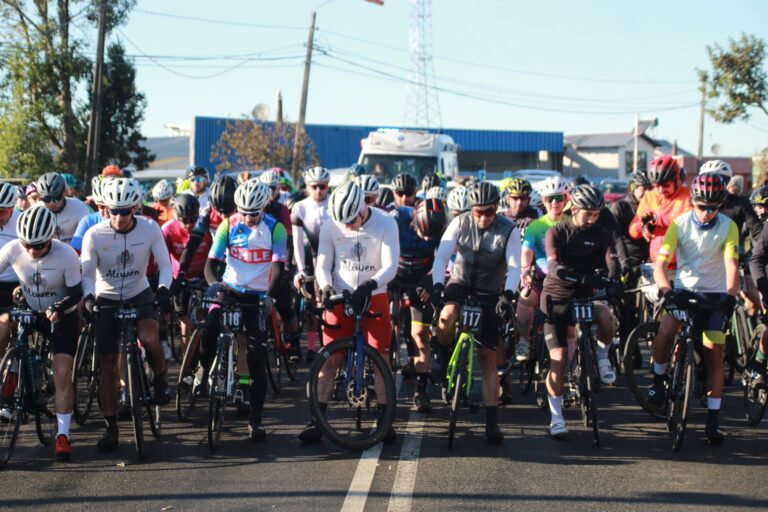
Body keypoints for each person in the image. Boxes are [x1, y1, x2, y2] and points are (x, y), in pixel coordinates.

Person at [298, 181, 399, 444]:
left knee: (381, 361)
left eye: (352, 220)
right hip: (341, 295)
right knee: (329, 361)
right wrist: (326, 287)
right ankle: (317, 420)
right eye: (343, 222)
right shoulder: (331, 225)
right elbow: (322, 263)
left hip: (374, 294)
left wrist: (370, 284)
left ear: (364, 207)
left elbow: (390, 266)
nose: (348, 226)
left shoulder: (386, 223)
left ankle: (383, 419)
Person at [80, 177, 173, 452]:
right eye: (113, 211)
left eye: (125, 211)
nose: (119, 217)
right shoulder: (94, 234)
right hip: (106, 296)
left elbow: (166, 266)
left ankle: (159, 378)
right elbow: (86, 275)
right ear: (105, 209)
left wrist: (165, 290)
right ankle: (110, 427)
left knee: (150, 336)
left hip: (139, 291)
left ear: (135, 208)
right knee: (108, 364)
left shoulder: (149, 228)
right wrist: (88, 298)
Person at [431, 181, 521, 444]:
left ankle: (491, 424)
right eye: (478, 211)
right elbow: (441, 257)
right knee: (446, 316)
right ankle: (441, 350)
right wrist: (438, 285)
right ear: (471, 209)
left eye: (490, 211)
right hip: (461, 283)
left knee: (487, 358)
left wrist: (509, 294)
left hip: (490, 292)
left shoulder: (509, 230)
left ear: (497, 208)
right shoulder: (459, 223)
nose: (483, 217)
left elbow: (514, 267)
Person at [651, 173, 738, 444]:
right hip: (684, 290)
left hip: (714, 294)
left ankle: (713, 421)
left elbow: (732, 265)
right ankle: (657, 381)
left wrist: (731, 296)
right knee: (666, 329)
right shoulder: (679, 224)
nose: (707, 213)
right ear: (693, 202)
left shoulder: (729, 226)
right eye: (702, 207)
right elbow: (660, 266)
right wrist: (667, 293)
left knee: (715, 354)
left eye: (714, 208)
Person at [205, 180, 288, 441]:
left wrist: (269, 298)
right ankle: (203, 374)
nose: (249, 218)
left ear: (263, 206)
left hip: (258, 294)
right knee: (209, 329)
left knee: (256, 357)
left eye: (253, 213)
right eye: (243, 212)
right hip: (230, 287)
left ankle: (256, 419)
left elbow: (279, 268)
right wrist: (213, 285)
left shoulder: (276, 228)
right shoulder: (228, 224)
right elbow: (211, 263)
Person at [0, 206, 82, 460]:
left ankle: (63, 435)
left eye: (39, 246)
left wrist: (59, 306)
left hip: (61, 316)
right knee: (3, 327)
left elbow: (76, 292)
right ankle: (12, 374)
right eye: (27, 245)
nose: (32, 251)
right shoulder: (13, 249)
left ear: (50, 239)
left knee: (61, 373)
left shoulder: (66, 254)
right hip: (31, 310)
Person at [540, 185, 620, 438]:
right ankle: (556, 417)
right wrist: (582, 279)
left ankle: (601, 355)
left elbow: (611, 260)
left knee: (607, 317)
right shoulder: (557, 231)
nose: (592, 219)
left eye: (597, 214)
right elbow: (554, 268)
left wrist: (613, 279)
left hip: (585, 295)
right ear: (573, 209)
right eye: (588, 213)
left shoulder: (601, 233)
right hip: (557, 296)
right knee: (559, 358)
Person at [390, 198, 447, 412]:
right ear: (415, 218)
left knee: (420, 337)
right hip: (393, 274)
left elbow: (443, 260)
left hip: (421, 279)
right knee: (385, 331)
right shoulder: (396, 218)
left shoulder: (443, 228)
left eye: (429, 236)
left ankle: (421, 391)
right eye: (422, 233)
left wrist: (430, 281)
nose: (425, 238)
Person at [515, 175, 570, 362]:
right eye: (549, 199)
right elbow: (526, 251)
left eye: (559, 198)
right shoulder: (535, 226)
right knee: (524, 298)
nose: (554, 203)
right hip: (542, 280)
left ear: (566, 199)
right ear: (544, 201)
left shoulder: (572, 223)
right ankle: (523, 340)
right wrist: (524, 271)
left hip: (568, 283)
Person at [259, 170, 301, 360]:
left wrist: (286, 266)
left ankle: (294, 342)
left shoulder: (280, 209)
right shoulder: (255, 207)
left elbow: (289, 239)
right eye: (266, 189)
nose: (270, 192)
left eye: (273, 189)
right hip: (260, 263)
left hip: (278, 258)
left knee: (285, 307)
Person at [292, 166, 332, 362]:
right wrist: (300, 270)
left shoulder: (335, 203)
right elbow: (297, 242)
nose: (318, 191)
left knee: (329, 302)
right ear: (307, 186)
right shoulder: (299, 207)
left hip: (333, 255)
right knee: (311, 305)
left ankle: (329, 343)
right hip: (311, 255)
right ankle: (310, 346)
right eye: (314, 186)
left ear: (328, 186)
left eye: (322, 186)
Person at [163, 194, 211, 354]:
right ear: (176, 216)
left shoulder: (205, 228)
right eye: (184, 220)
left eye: (193, 219)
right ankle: (187, 363)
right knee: (184, 323)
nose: (188, 224)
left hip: (204, 277)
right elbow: (161, 259)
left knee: (207, 319)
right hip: (180, 278)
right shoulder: (168, 230)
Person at [609, 171, 651, 344]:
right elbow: (615, 238)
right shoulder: (620, 207)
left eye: (650, 188)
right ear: (633, 188)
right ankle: (629, 347)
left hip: (650, 261)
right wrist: (623, 263)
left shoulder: (652, 206)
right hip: (628, 261)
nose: (647, 192)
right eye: (644, 188)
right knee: (628, 309)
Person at [36, 172, 90, 246]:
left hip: (75, 250)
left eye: (56, 198)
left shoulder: (79, 207)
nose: (52, 203)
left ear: (65, 192)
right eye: (47, 199)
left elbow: (88, 236)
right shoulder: (36, 210)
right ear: (39, 196)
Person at [0, 182, 20, 359]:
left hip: (17, 285)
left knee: (8, 329)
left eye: (2, 212)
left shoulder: (22, 223)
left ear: (12, 209)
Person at [71, 177, 113, 253]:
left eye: (110, 207)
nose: (106, 211)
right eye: (102, 207)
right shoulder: (88, 221)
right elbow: (75, 252)